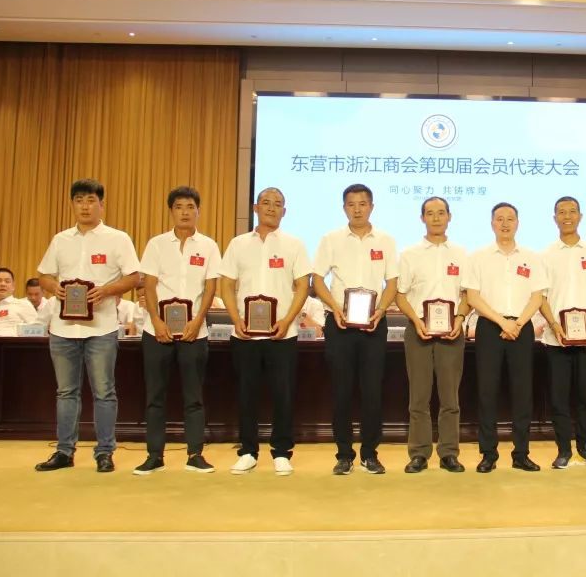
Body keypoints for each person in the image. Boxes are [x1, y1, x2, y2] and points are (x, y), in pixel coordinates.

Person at [34, 178, 140, 473]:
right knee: (65, 392)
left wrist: (106, 291)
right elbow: (44, 275)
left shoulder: (117, 239)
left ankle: (104, 452)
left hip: (101, 328)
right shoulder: (60, 239)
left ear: (101, 205)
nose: (85, 206)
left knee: (104, 392)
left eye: (91, 200)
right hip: (63, 328)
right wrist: (54, 287)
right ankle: (64, 451)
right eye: (79, 200)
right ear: (73, 204)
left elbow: (134, 277)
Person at [219, 187, 310, 476]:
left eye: (278, 204)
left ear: (285, 211)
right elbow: (226, 284)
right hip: (245, 334)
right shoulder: (238, 244)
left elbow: (303, 286)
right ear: (255, 208)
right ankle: (248, 451)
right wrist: (235, 319)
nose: (272, 208)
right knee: (247, 394)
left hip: (282, 334)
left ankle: (281, 452)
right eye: (266, 203)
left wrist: (287, 320)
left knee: (283, 395)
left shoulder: (294, 244)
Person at [134, 186, 222, 475]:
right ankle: (154, 456)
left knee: (193, 397)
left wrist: (198, 321)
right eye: (179, 207)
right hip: (156, 331)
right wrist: (156, 321)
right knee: (155, 397)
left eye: (190, 207)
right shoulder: (157, 244)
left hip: (194, 332)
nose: (185, 212)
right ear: (171, 211)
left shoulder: (208, 246)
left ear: (198, 211)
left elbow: (210, 288)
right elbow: (148, 286)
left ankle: (195, 454)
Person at [312, 184, 398, 476]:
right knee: (342, 392)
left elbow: (392, 283)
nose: (357, 209)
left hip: (374, 323)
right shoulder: (331, 239)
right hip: (339, 324)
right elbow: (317, 280)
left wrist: (381, 310)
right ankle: (344, 455)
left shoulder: (386, 240)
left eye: (362, 204)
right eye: (351, 204)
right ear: (344, 208)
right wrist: (335, 308)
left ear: (371, 207)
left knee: (373, 392)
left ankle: (370, 454)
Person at [463, 202, 547, 473]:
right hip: (490, 327)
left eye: (510, 219)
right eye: (499, 219)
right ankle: (488, 454)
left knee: (522, 392)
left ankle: (521, 453)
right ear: (492, 224)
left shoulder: (532, 257)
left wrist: (518, 323)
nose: (505, 224)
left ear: (518, 223)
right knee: (487, 392)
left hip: (522, 327)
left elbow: (537, 296)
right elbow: (473, 297)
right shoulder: (478, 257)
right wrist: (502, 322)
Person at [394, 196, 469, 474]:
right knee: (419, 397)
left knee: (450, 398)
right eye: (430, 213)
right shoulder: (409, 254)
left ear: (450, 216)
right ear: (422, 218)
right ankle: (419, 454)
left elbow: (468, 294)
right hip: (418, 331)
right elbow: (400, 295)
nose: (436, 218)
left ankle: (449, 453)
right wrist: (416, 321)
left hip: (452, 333)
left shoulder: (462, 254)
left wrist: (459, 318)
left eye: (441, 213)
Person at [539, 196, 586, 469]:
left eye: (572, 212)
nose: (567, 216)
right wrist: (554, 325)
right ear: (554, 218)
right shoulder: (545, 255)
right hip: (556, 339)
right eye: (561, 212)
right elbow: (541, 296)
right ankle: (563, 450)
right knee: (559, 397)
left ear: (580, 216)